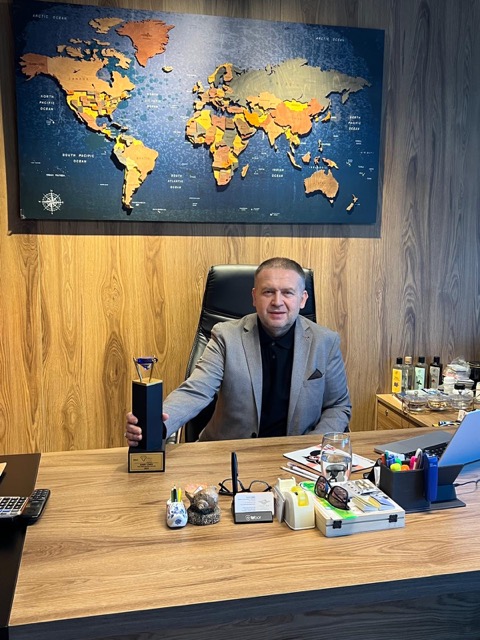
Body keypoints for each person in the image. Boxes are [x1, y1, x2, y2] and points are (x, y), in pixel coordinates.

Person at [125, 257, 351, 444]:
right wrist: (156, 424)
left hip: (295, 459)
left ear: (302, 299)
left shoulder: (325, 342)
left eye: (288, 293)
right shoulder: (226, 336)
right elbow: (196, 390)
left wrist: (312, 446)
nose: (277, 301)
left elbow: (338, 405)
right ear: (254, 297)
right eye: (268, 292)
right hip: (227, 454)